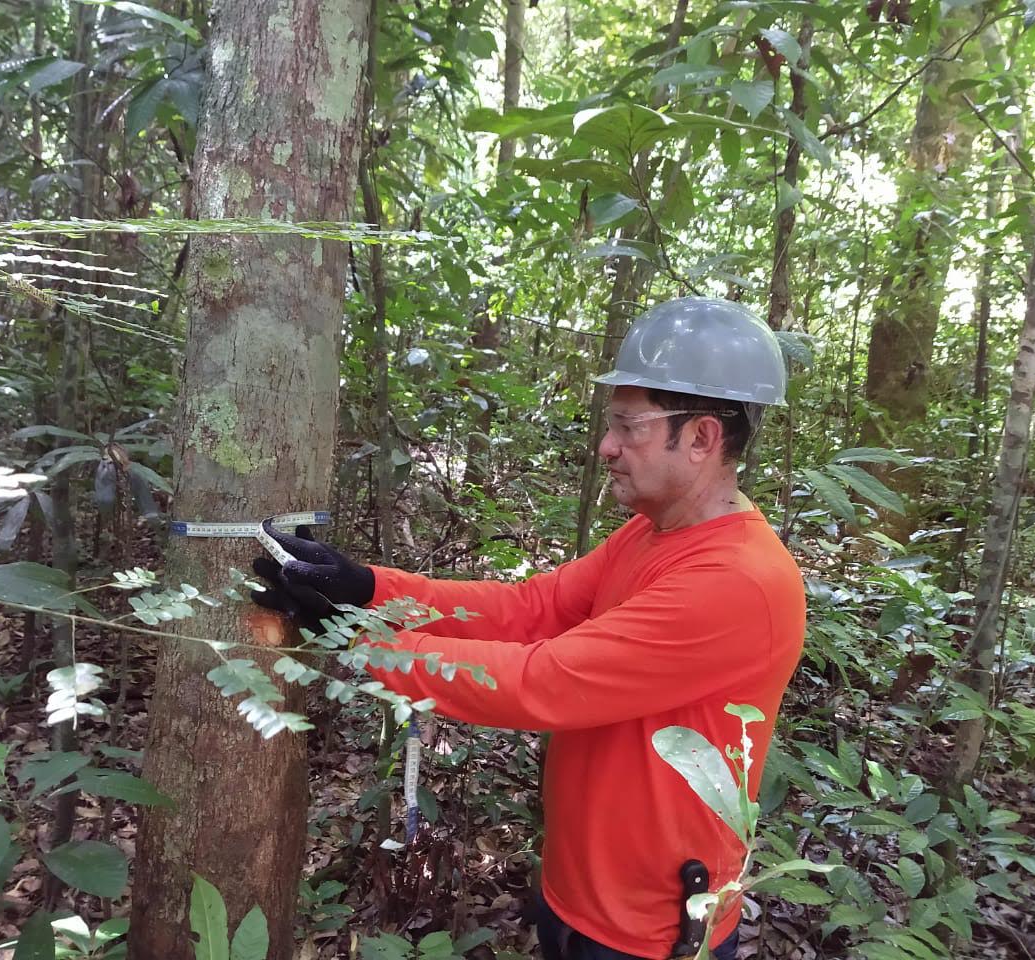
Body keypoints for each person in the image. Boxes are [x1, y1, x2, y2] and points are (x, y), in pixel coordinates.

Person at [251, 298, 806, 960]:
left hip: (651, 936)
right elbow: (532, 607)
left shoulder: (738, 582)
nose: (607, 446)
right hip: (575, 895)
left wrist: (358, 640)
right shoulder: (651, 533)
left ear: (702, 438)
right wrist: (370, 589)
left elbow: (542, 681)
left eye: (628, 427)